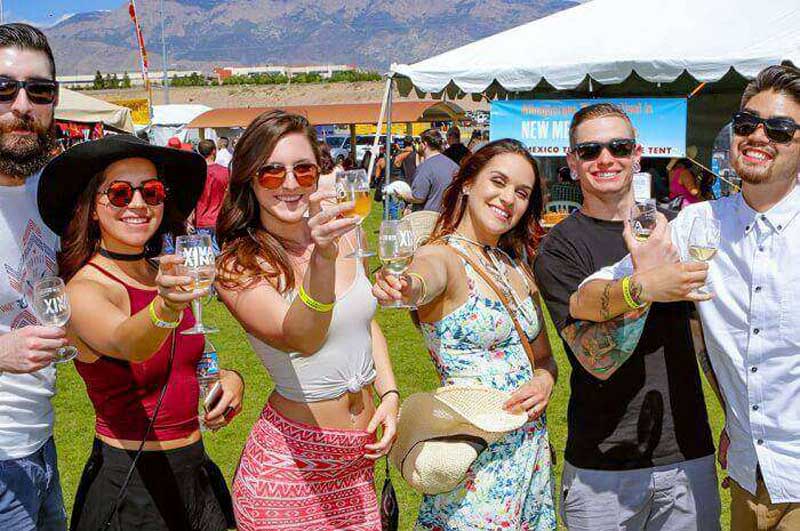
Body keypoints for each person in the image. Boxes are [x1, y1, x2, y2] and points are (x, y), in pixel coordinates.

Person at [574, 64, 800, 531]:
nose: (758, 135)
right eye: (746, 124)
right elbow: (583, 297)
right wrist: (641, 285)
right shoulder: (699, 225)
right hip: (747, 480)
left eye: (779, 128)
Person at [532, 103, 720, 530]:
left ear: (637, 154)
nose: (605, 159)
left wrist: (735, 423)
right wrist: (645, 283)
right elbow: (596, 359)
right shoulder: (559, 248)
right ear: (572, 162)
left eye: (618, 146)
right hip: (604, 466)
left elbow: (703, 339)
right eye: (590, 150)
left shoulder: (676, 228)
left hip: (688, 452)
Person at [39, 134, 241, 530]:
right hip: (132, 486)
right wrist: (166, 306)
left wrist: (228, 378)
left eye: (151, 192)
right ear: (92, 209)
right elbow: (129, 342)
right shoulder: (85, 288)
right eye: (118, 193)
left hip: (195, 474)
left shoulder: (161, 274)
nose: (137, 204)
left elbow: (193, 354)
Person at [214, 110, 399, 531]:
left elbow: (366, 322)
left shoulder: (349, 233)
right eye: (272, 173)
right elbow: (301, 336)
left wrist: (389, 395)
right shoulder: (239, 266)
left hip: (357, 468)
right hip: (288, 472)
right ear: (248, 178)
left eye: (303, 169)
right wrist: (323, 258)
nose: (292, 183)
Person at [373, 139, 557, 530]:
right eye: (499, 182)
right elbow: (423, 279)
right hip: (475, 462)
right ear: (469, 182)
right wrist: (406, 287)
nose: (508, 198)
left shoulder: (514, 264)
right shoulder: (442, 256)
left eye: (521, 193)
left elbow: (544, 359)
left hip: (529, 458)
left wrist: (544, 379)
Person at [0, 23, 68, 531]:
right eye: (3, 88)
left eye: (38, 90)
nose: (22, 103)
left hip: (40, 443)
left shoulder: (55, 191)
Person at [397, 128, 459, 212]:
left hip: (428, 219)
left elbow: (418, 197)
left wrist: (402, 194)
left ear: (424, 144)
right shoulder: (454, 166)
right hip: (448, 216)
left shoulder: (425, 167)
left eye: (419, 143)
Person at [194, 139, 230, 252]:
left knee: (205, 256)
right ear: (214, 151)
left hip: (202, 219)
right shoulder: (225, 171)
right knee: (221, 253)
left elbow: (192, 197)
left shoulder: (196, 173)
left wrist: (189, 218)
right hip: (220, 218)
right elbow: (230, 194)